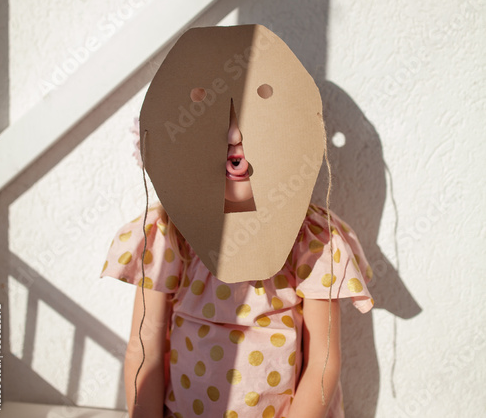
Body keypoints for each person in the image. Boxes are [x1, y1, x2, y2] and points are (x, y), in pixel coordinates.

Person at [101, 105, 374, 417]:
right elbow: (143, 350)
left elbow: (323, 363)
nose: (235, 143)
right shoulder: (170, 233)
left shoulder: (310, 238)